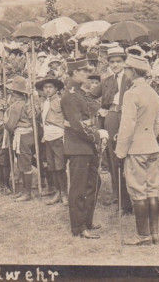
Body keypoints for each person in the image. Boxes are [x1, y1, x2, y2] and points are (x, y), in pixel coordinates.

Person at [115, 54, 159, 246]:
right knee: (153, 189)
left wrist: (120, 152)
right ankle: (155, 233)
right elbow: (157, 124)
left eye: (126, 69)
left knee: (138, 191)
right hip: (151, 145)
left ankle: (142, 236)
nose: (125, 72)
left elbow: (127, 126)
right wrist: (150, 138)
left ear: (133, 72)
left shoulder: (131, 93)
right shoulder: (153, 93)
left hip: (136, 148)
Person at [61, 58, 105, 239]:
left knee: (94, 184)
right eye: (83, 71)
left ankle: (87, 221)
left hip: (87, 145)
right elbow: (77, 125)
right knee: (79, 188)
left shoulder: (80, 92)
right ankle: (78, 228)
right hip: (78, 146)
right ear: (73, 74)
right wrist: (97, 135)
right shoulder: (70, 95)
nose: (87, 74)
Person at [89, 44, 133, 214]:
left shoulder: (130, 79)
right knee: (113, 157)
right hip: (112, 119)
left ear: (124, 62)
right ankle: (120, 197)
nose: (115, 64)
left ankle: (133, 195)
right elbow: (90, 96)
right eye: (112, 62)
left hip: (128, 119)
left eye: (118, 61)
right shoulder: (106, 81)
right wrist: (98, 109)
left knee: (128, 156)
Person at [4, 76, 39, 202]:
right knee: (24, 162)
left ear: (14, 93)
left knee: (24, 164)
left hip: (22, 135)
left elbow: (10, 125)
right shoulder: (27, 104)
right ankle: (25, 190)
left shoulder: (16, 106)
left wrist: (5, 121)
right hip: (29, 134)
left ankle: (27, 192)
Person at [36, 72, 67, 206]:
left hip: (58, 135)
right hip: (47, 136)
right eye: (45, 87)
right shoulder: (43, 102)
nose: (48, 89)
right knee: (51, 166)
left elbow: (66, 118)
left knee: (60, 166)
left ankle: (64, 193)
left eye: (50, 87)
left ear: (56, 89)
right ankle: (57, 192)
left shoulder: (60, 101)